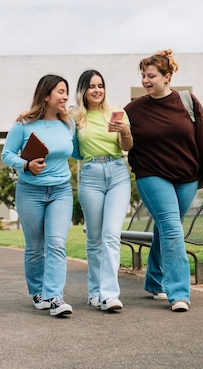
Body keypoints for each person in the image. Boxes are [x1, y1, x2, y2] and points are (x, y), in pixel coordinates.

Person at [124, 49, 203, 312]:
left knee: (167, 228)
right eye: (143, 75)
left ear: (167, 77)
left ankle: (155, 279)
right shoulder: (133, 110)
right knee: (171, 227)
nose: (145, 80)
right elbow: (122, 141)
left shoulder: (188, 101)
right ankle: (178, 293)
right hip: (152, 176)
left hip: (186, 178)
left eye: (151, 75)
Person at [1, 74, 75, 317]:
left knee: (56, 244)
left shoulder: (68, 124)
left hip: (61, 190)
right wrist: (26, 164)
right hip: (30, 191)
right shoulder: (23, 124)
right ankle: (38, 292)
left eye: (66, 92)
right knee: (35, 247)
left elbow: (76, 151)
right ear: (46, 96)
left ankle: (55, 297)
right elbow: (7, 154)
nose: (65, 96)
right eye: (61, 92)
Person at [70, 69, 133, 312]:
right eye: (92, 86)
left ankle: (109, 294)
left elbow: (127, 146)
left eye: (100, 85)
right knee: (94, 238)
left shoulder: (116, 113)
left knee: (111, 235)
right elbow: (74, 150)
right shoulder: (75, 118)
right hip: (90, 175)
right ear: (83, 91)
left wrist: (125, 131)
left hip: (117, 172)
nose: (97, 90)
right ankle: (94, 291)